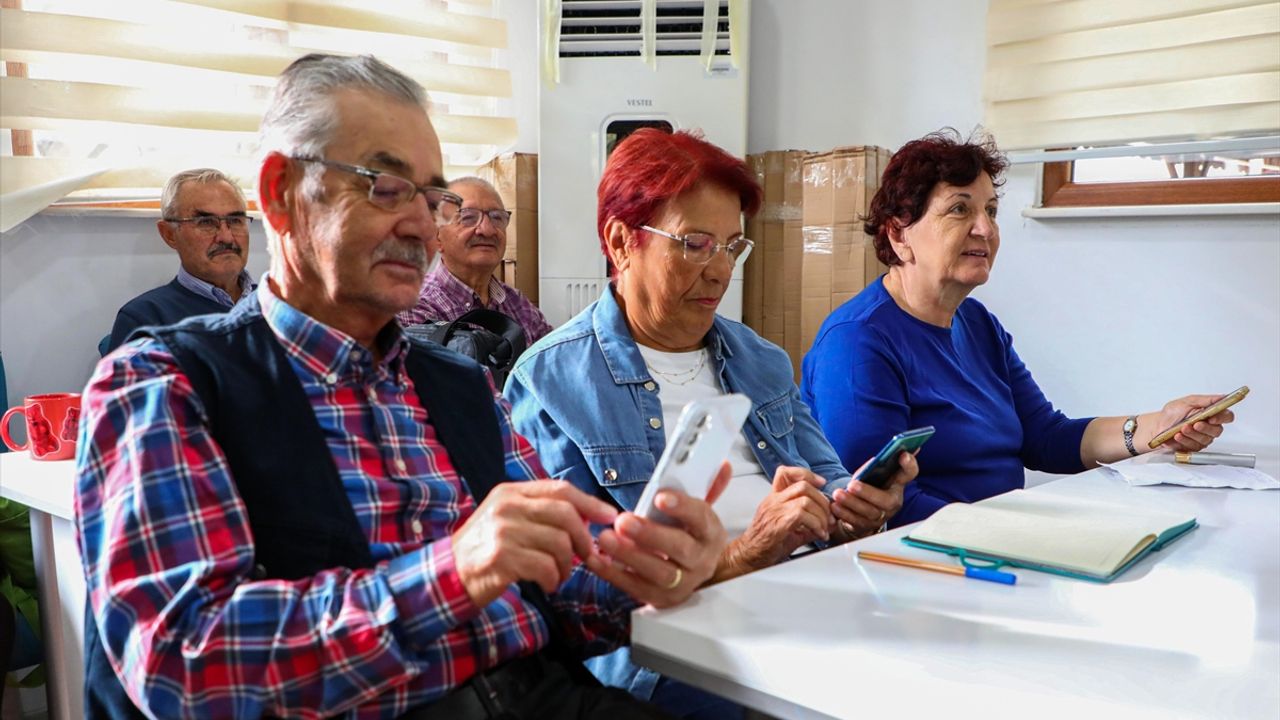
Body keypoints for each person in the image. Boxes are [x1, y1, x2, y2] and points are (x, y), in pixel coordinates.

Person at [76, 54, 728, 720]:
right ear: (280, 193)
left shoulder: (462, 387)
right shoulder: (166, 384)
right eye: (386, 187)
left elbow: (556, 596)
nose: (421, 224)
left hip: (538, 695)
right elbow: (183, 660)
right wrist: (454, 572)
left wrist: (652, 574)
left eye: (430, 197)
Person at [504, 128, 916, 719]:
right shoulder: (552, 381)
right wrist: (744, 555)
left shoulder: (759, 359)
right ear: (621, 243)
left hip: (801, 595)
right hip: (671, 647)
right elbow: (575, 585)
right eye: (695, 244)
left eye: (732, 247)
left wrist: (857, 509)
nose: (721, 270)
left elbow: (827, 479)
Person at [801, 129, 1234, 528]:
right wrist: (1014, 531)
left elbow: (1045, 437)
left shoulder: (978, 323)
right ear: (899, 236)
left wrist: (1157, 427)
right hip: (930, 554)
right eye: (959, 209)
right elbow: (874, 503)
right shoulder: (857, 342)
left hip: (992, 537)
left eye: (990, 210)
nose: (985, 229)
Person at [104, 168, 256, 353]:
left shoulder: (279, 303)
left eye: (235, 220)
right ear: (169, 234)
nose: (226, 237)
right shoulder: (145, 319)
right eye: (206, 222)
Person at [399, 177, 553, 344]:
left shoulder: (518, 304)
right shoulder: (414, 307)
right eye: (468, 217)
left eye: (496, 218)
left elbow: (555, 355)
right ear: (436, 236)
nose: (487, 230)